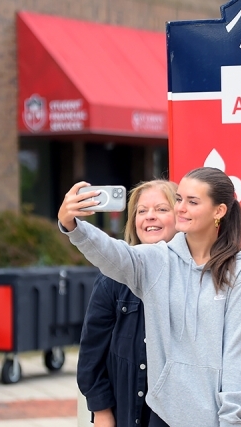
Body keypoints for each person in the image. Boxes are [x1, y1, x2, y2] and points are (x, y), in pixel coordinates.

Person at [59, 167, 241, 427]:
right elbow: (113, 252)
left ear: (219, 211)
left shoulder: (240, 275)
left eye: (192, 202)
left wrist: (230, 420)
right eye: (179, 199)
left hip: (225, 420)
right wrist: (73, 226)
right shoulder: (157, 260)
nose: (181, 208)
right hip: (165, 416)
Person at [77, 180, 178, 427]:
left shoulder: (195, 276)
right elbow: (91, 354)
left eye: (161, 209)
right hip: (128, 415)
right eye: (141, 211)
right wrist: (101, 410)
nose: (149, 217)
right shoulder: (112, 279)